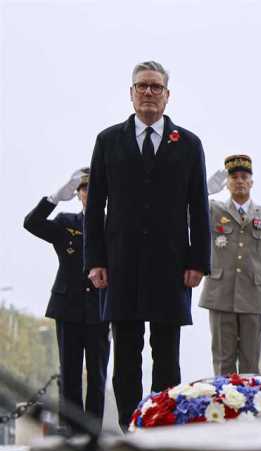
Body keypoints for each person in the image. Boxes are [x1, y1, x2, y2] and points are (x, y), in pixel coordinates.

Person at [84, 61, 210, 432]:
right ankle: (129, 426)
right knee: (125, 352)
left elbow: (198, 207)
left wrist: (198, 261)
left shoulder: (188, 144)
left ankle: (162, 424)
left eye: (156, 87)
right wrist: (95, 261)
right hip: (120, 263)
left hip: (171, 264)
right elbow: (95, 208)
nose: (149, 93)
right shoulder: (108, 140)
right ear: (131, 93)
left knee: (166, 352)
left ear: (168, 95)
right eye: (142, 86)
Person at [23, 168, 109, 435]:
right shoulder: (66, 221)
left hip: (100, 307)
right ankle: (71, 429)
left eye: (94, 190)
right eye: (84, 189)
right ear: (78, 194)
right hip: (68, 305)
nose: (89, 194)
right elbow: (31, 223)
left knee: (97, 375)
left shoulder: (114, 225)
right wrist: (54, 197)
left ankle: (93, 430)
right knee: (69, 373)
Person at [200, 155, 261, 375]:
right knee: (223, 364)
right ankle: (226, 409)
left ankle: (250, 410)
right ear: (227, 183)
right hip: (220, 295)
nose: (239, 181)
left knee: (250, 365)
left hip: (253, 297)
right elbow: (185, 214)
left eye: (244, 176)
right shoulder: (213, 210)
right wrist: (201, 192)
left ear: (252, 182)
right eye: (233, 177)